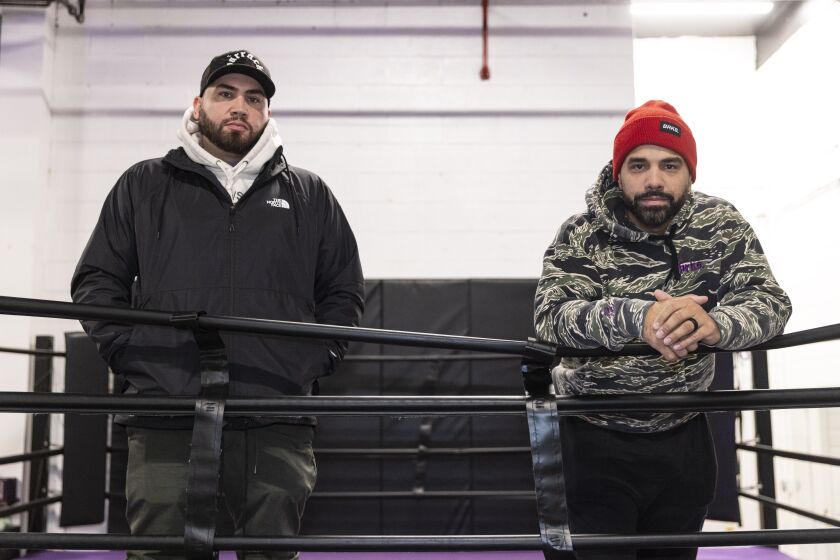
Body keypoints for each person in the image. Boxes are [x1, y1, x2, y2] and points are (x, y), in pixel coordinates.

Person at [71, 50, 365, 560]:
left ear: (267, 114)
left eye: (254, 98)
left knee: (270, 553)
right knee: (163, 551)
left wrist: (310, 361)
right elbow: (97, 280)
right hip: (166, 409)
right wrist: (132, 351)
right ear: (198, 103)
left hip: (273, 413)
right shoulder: (142, 185)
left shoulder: (311, 194)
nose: (240, 106)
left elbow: (344, 292)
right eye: (225, 93)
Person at [534, 100, 791, 560]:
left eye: (669, 165)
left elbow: (770, 302)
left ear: (689, 172)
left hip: (684, 433)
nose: (654, 179)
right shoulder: (580, 233)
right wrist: (639, 318)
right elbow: (552, 316)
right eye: (639, 165)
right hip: (593, 436)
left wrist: (714, 325)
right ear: (618, 172)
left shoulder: (720, 225)